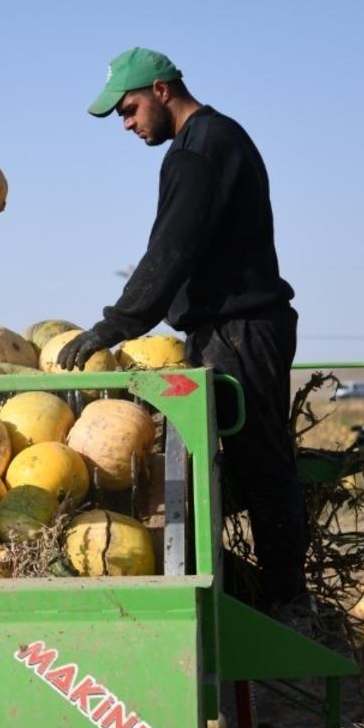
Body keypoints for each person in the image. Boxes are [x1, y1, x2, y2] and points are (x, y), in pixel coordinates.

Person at [57, 47, 305, 611]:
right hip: (232, 328)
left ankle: (287, 605)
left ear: (162, 90)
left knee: (260, 466)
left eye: (129, 109)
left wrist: (113, 326)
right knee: (229, 468)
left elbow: (170, 251)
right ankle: (253, 593)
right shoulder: (215, 141)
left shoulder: (199, 152)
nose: (126, 124)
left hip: (240, 330)